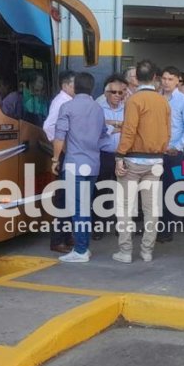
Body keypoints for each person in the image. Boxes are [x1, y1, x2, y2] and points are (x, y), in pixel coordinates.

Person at [114, 60, 171, 263]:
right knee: (151, 209)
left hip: (133, 160)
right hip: (156, 161)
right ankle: (147, 250)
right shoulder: (163, 101)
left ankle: (125, 251)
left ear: (136, 78)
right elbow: (168, 132)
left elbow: (129, 130)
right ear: (155, 77)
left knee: (125, 207)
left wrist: (120, 155)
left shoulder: (134, 100)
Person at [52, 72, 109, 263]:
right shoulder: (98, 109)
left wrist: (55, 159)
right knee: (86, 207)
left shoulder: (67, 107)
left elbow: (59, 136)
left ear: (75, 87)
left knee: (77, 209)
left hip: (74, 165)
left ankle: (81, 250)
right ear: (92, 88)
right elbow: (103, 134)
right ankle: (84, 246)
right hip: (93, 165)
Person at [157, 66, 184, 243]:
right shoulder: (155, 97)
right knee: (153, 191)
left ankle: (166, 230)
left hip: (173, 153)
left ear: (178, 81)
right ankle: (154, 227)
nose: (166, 82)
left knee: (169, 191)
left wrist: (178, 147)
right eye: (164, 78)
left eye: (170, 79)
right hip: (154, 152)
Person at [43, 70, 77, 253]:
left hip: (69, 153)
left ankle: (66, 235)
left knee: (69, 197)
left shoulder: (69, 101)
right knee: (63, 198)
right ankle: (57, 240)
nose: (76, 87)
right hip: (64, 154)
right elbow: (49, 126)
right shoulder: (61, 102)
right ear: (65, 85)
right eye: (74, 84)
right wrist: (60, 147)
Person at [94, 74, 128, 237]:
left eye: (120, 92)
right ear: (106, 93)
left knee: (122, 192)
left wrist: (110, 125)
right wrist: (117, 126)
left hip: (123, 155)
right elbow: (97, 129)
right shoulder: (98, 108)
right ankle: (98, 227)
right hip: (104, 155)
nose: (117, 95)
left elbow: (130, 129)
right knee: (101, 190)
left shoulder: (128, 108)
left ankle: (120, 227)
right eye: (113, 92)